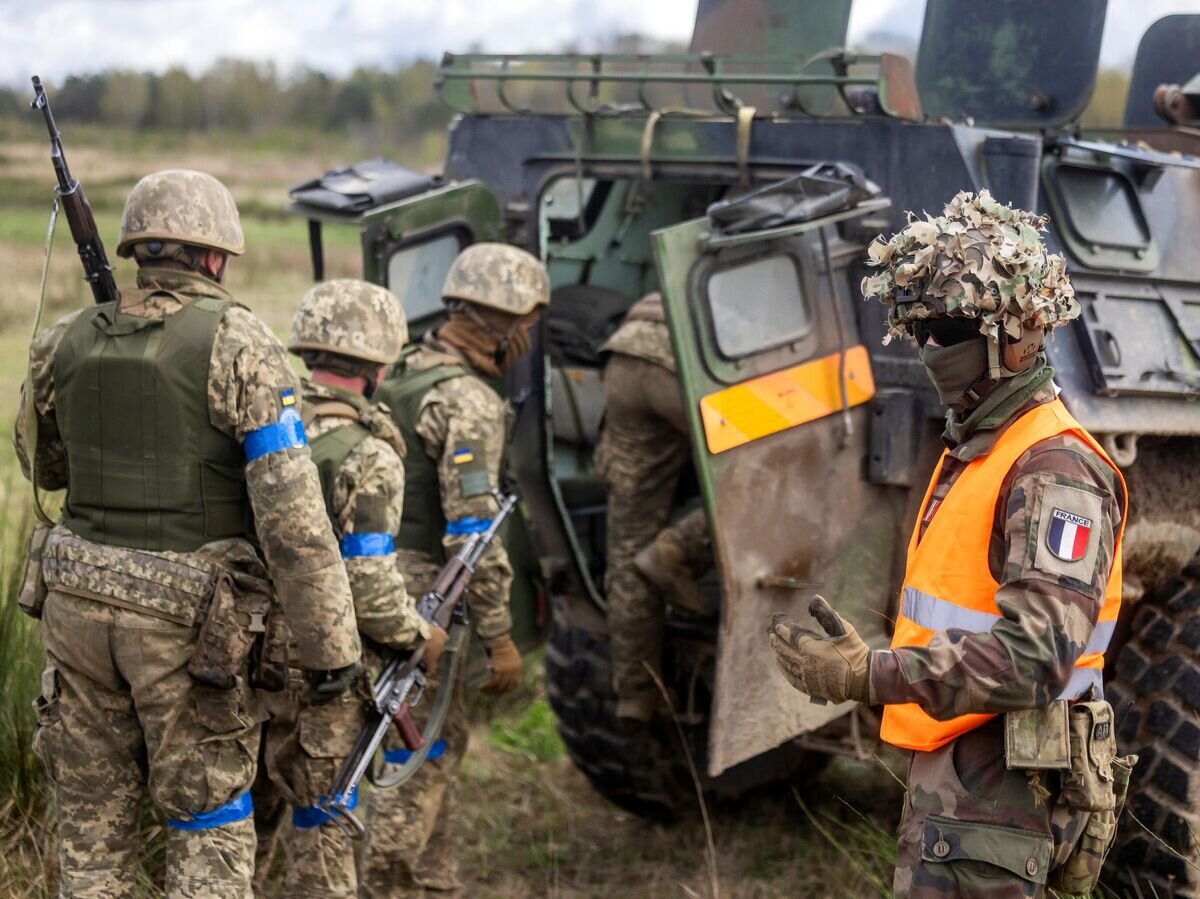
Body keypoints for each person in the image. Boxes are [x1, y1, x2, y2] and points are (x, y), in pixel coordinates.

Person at [769, 189, 1132, 898]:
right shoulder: (979, 445)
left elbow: (1036, 658)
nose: (933, 349)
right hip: (969, 772)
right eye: (921, 329)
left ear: (1019, 334)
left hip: (1004, 788)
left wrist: (870, 675)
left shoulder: (1054, 469)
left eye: (950, 328)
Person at [14, 170, 361, 898]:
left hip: (74, 605)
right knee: (208, 821)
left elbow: (44, 467)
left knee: (92, 833)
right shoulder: (240, 343)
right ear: (214, 256)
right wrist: (331, 649)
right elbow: (293, 520)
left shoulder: (61, 340)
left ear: (136, 248)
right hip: (190, 625)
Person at [360, 242, 549, 897]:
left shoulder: (401, 369)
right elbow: (472, 534)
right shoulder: (467, 400)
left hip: (366, 578)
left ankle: (430, 879)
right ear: (501, 323)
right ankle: (388, 883)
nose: (527, 341)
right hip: (421, 596)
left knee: (430, 739)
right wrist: (499, 635)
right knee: (419, 749)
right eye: (526, 325)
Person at [252, 279, 448, 898]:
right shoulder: (369, 453)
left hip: (241, 650)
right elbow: (368, 584)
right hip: (322, 666)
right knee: (323, 823)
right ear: (380, 366)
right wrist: (419, 634)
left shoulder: (260, 421)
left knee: (242, 823)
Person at [595, 291, 715, 722]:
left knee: (628, 550)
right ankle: (679, 548)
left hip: (624, 355)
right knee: (754, 473)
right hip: (679, 353)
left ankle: (636, 693)